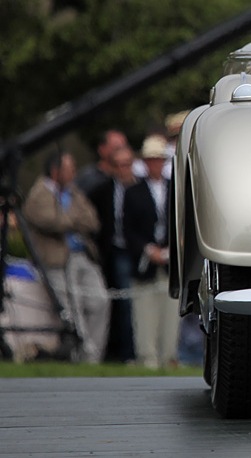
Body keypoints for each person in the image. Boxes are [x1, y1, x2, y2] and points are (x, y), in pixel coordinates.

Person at [22, 151, 111, 363]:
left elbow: (92, 221)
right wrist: (73, 219)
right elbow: (52, 222)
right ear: (56, 172)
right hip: (56, 262)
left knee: (100, 301)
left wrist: (68, 219)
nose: (74, 173)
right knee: (72, 309)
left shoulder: (74, 191)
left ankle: (93, 356)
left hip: (82, 256)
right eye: (70, 169)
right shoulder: (39, 194)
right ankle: (81, 356)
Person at [124, 136, 178, 368]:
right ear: (145, 162)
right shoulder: (133, 192)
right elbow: (128, 230)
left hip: (170, 260)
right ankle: (147, 358)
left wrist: (171, 249)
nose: (155, 164)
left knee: (170, 313)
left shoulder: (174, 188)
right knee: (144, 312)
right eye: (151, 160)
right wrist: (148, 250)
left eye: (159, 159)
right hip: (144, 261)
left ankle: (169, 356)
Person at [86, 146, 137, 362]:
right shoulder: (102, 191)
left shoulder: (143, 189)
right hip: (113, 252)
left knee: (132, 303)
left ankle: (132, 352)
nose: (124, 169)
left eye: (127, 164)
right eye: (119, 165)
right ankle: (118, 352)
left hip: (137, 251)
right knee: (117, 303)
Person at [74, 130, 130, 198]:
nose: (121, 152)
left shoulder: (133, 176)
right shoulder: (88, 178)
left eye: (124, 147)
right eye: (117, 148)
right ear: (102, 149)